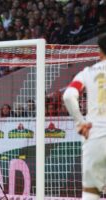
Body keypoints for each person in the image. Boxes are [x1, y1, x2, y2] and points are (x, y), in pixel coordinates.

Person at [63, 33, 106, 200]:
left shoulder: (88, 72)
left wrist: (80, 122)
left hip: (94, 136)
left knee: (91, 191)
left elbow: (68, 96)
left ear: (99, 52)